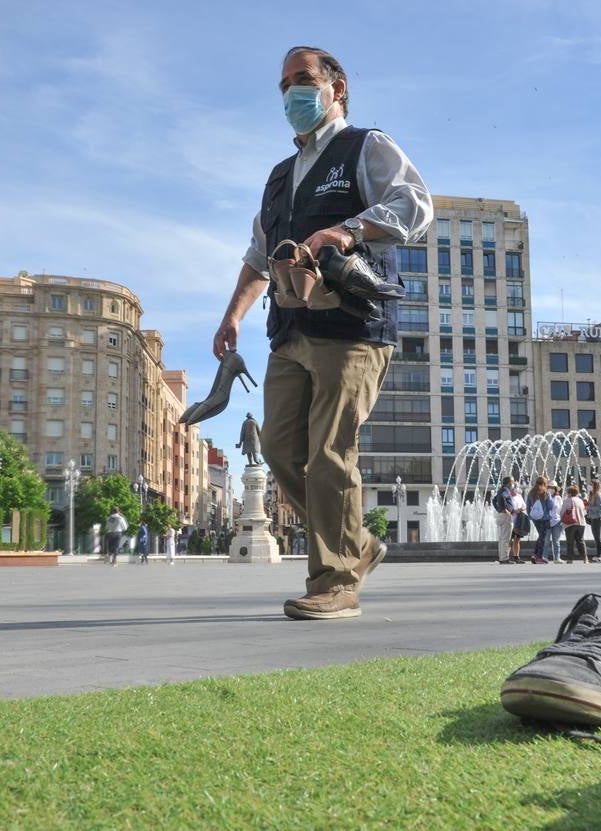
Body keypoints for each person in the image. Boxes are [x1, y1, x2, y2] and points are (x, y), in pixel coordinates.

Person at [211, 46, 431, 620]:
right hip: (290, 330)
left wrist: (348, 231)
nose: (291, 94)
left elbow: (415, 204)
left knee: (332, 453)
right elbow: (260, 255)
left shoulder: (366, 147)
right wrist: (233, 313)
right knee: (281, 451)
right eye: (283, 84)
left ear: (336, 88)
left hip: (351, 327)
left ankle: (335, 582)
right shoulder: (280, 177)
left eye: (303, 80)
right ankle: (357, 547)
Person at [527, 476, 552, 564]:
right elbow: (550, 506)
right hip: (544, 518)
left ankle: (535, 554)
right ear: (544, 483)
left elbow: (528, 507)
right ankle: (539, 557)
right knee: (542, 537)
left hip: (535, 518)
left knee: (540, 536)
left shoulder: (531, 493)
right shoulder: (545, 493)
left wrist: (531, 516)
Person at [492, 476, 517, 565]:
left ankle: (502, 557)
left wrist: (499, 509)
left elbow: (494, 500)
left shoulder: (501, 490)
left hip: (501, 515)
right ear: (509, 483)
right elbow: (502, 497)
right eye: (513, 482)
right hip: (506, 516)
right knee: (506, 538)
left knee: (502, 538)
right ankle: (504, 558)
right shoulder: (505, 490)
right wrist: (503, 509)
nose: (513, 484)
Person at [560, 484, 587, 564]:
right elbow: (584, 511)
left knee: (570, 542)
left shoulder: (567, 500)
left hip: (570, 524)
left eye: (567, 492)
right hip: (581, 523)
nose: (567, 493)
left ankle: (570, 559)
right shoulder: (580, 500)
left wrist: (562, 520)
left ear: (570, 493)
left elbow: (562, 512)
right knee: (581, 541)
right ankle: (585, 558)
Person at [585, 479, 601, 563]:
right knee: (595, 537)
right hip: (593, 518)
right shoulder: (592, 495)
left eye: (591, 484)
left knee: (597, 537)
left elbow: (599, 508)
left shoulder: (598, 495)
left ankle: (599, 556)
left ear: (595, 485)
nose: (589, 486)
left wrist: (588, 507)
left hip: (598, 518)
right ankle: (598, 555)